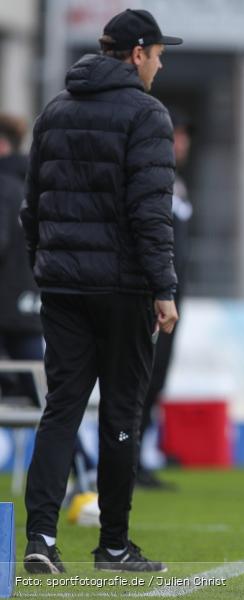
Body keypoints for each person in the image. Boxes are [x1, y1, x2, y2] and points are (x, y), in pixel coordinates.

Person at [19, 8, 181, 574]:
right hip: (124, 287)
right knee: (120, 414)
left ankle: (40, 539)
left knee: (59, 411)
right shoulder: (148, 115)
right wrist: (163, 285)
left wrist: (46, 265)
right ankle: (113, 545)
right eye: (158, 55)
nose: (160, 66)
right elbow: (149, 211)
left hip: (62, 286)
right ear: (137, 53)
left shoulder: (55, 109)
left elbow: (31, 204)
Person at [137, 109, 193, 490]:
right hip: (153, 297)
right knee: (140, 379)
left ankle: (138, 459)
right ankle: (125, 463)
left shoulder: (179, 183)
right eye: (177, 135)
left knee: (155, 381)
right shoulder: (149, 180)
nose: (183, 143)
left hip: (173, 295)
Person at [0, 114, 41, 389]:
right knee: (42, 398)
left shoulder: (3, 185)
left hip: (4, 307)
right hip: (31, 306)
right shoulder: (35, 183)